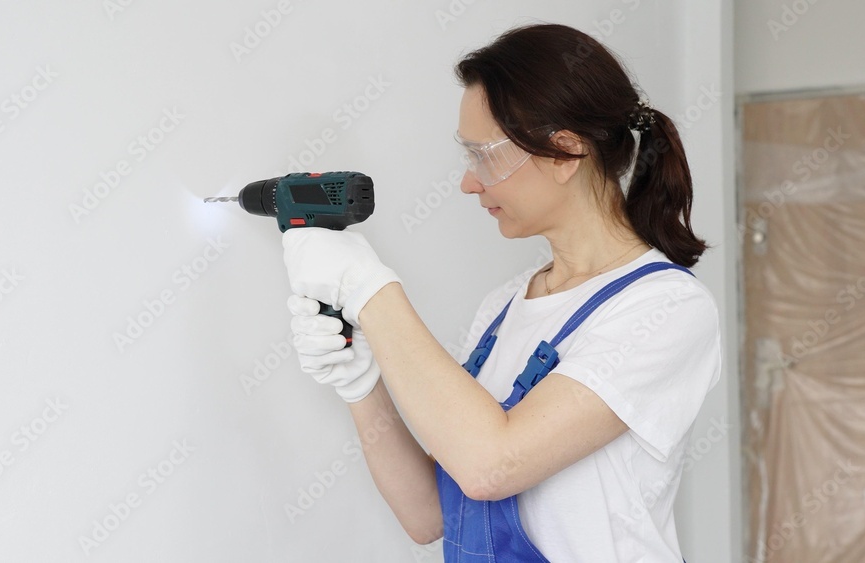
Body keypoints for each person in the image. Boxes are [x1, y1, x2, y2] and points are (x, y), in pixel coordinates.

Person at [281, 23, 721, 562]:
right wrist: (361, 385)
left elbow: (492, 466)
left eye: (483, 155)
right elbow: (430, 516)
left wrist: (370, 290)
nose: (469, 182)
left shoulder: (666, 308)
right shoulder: (505, 306)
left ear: (565, 152)